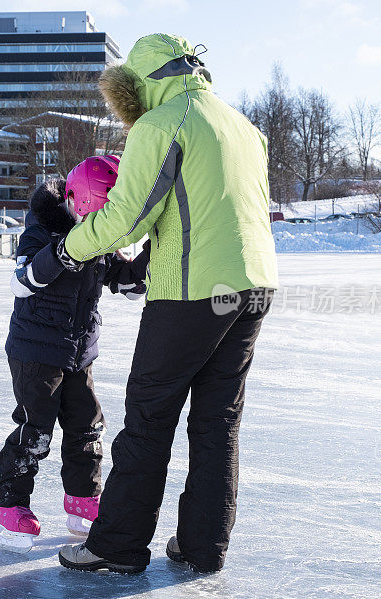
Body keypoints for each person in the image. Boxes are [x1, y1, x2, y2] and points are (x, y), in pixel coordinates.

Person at [57, 33, 279, 574]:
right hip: (252, 290)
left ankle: (116, 545)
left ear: (138, 82)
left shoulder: (161, 125)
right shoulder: (244, 126)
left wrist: (68, 249)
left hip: (190, 296)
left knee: (149, 419)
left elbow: (127, 219)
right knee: (216, 423)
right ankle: (204, 546)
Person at [0, 158, 150, 554]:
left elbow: (127, 286)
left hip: (78, 353)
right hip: (35, 351)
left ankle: (82, 501)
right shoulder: (41, 230)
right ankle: (6, 509)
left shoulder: (99, 235)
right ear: (77, 199)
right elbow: (22, 282)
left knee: (86, 427)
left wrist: (150, 254)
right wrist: (61, 253)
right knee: (35, 430)